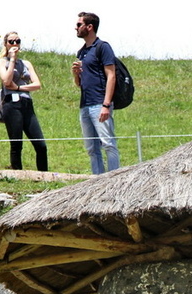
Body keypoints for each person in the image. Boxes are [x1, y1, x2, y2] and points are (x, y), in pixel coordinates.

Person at [72, 12, 120, 174]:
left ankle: (114, 178)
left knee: (108, 143)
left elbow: (111, 75)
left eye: (79, 25)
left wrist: (106, 104)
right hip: (85, 105)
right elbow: (79, 83)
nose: (76, 28)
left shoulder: (102, 47)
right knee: (91, 148)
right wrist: (75, 73)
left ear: (89, 27)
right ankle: (97, 181)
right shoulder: (81, 52)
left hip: (100, 103)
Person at [0, 32, 48, 172]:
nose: (15, 44)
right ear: (5, 44)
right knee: (16, 144)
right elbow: (6, 81)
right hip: (11, 104)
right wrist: (12, 60)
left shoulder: (26, 63)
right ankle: (17, 174)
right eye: (11, 41)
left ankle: (44, 175)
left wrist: (19, 87)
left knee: (41, 145)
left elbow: (37, 84)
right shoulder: (1, 62)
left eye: (17, 41)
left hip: (26, 104)